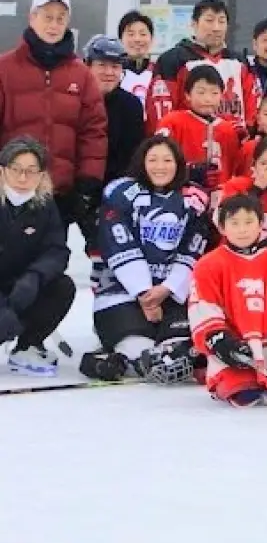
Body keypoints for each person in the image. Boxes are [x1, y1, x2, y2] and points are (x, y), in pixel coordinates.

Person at [82, 136, 209, 382]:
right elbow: (119, 244)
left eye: (167, 160)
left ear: (178, 164)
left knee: (181, 351)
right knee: (141, 351)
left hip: (170, 295)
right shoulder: (122, 195)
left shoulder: (192, 200)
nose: (160, 166)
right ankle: (111, 359)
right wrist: (143, 293)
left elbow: (193, 249)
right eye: (153, 160)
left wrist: (167, 288)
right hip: (121, 294)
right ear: (141, 162)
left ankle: (133, 355)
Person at [0, 0, 107, 237]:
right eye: (47, 16)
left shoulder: (81, 74)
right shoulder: (4, 68)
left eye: (61, 18)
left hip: (59, 192)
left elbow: (93, 131)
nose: (54, 24)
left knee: (52, 262)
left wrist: (88, 181)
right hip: (11, 187)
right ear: (32, 18)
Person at [188, 192, 267, 405]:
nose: (242, 229)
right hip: (235, 350)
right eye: (235, 223)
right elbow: (203, 307)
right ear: (222, 228)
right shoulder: (209, 264)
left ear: (261, 225)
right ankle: (223, 376)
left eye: (249, 222)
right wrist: (220, 339)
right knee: (244, 394)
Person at [0, 138, 76, 376]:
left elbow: (57, 250)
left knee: (62, 287)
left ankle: (27, 345)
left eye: (31, 171)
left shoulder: (44, 205)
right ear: (3, 170)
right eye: (16, 170)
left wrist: (34, 277)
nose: (23, 178)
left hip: (22, 285)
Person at [145, 0, 258, 137]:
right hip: (188, 144)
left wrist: (248, 134)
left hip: (233, 145)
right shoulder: (173, 60)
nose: (216, 28)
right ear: (194, 23)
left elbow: (253, 103)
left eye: (221, 21)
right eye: (209, 20)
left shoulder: (239, 61)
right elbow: (160, 110)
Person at [153, 65, 243, 192]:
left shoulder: (228, 129)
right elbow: (157, 160)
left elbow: (233, 169)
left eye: (214, 93)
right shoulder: (172, 122)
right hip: (181, 195)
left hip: (220, 198)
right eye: (201, 92)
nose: (207, 98)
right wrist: (187, 173)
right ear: (187, 95)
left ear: (222, 96)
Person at [85, 35, 144, 187]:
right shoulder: (74, 100)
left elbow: (132, 158)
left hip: (116, 188)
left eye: (115, 67)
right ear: (87, 66)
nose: (109, 72)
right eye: (102, 65)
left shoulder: (131, 105)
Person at [117, 10, 156, 107]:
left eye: (143, 34)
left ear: (151, 39)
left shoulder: (160, 72)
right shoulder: (114, 73)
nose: (137, 39)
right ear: (121, 39)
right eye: (131, 34)